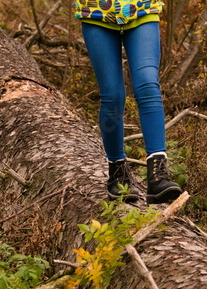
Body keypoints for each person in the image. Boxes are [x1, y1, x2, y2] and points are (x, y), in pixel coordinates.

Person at [74, 0, 183, 204]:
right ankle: (118, 174)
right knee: (113, 96)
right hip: (97, 13)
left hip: (142, 10)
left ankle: (158, 175)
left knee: (148, 84)